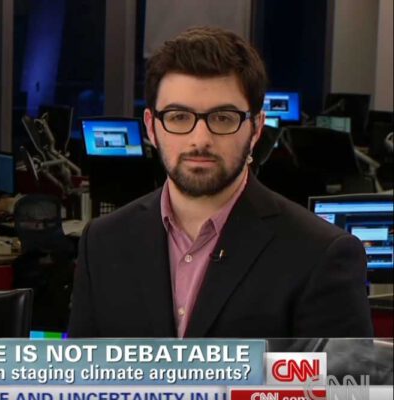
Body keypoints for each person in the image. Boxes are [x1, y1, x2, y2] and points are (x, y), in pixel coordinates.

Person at [68, 26, 373, 338]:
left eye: (223, 118)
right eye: (179, 117)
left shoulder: (320, 253)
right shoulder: (102, 242)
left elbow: (341, 373)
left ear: (256, 128)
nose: (200, 139)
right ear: (151, 127)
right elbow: (81, 368)